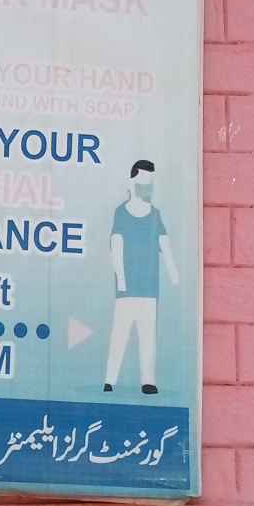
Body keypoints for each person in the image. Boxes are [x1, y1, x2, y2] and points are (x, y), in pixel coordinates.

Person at [103, 159, 179, 394]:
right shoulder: (121, 213)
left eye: (150, 182)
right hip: (126, 290)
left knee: (148, 335)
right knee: (120, 333)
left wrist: (173, 272)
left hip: (149, 288)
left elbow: (164, 244)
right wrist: (121, 279)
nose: (147, 187)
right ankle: (110, 380)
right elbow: (116, 246)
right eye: (144, 181)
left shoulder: (155, 215)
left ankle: (148, 381)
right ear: (132, 182)